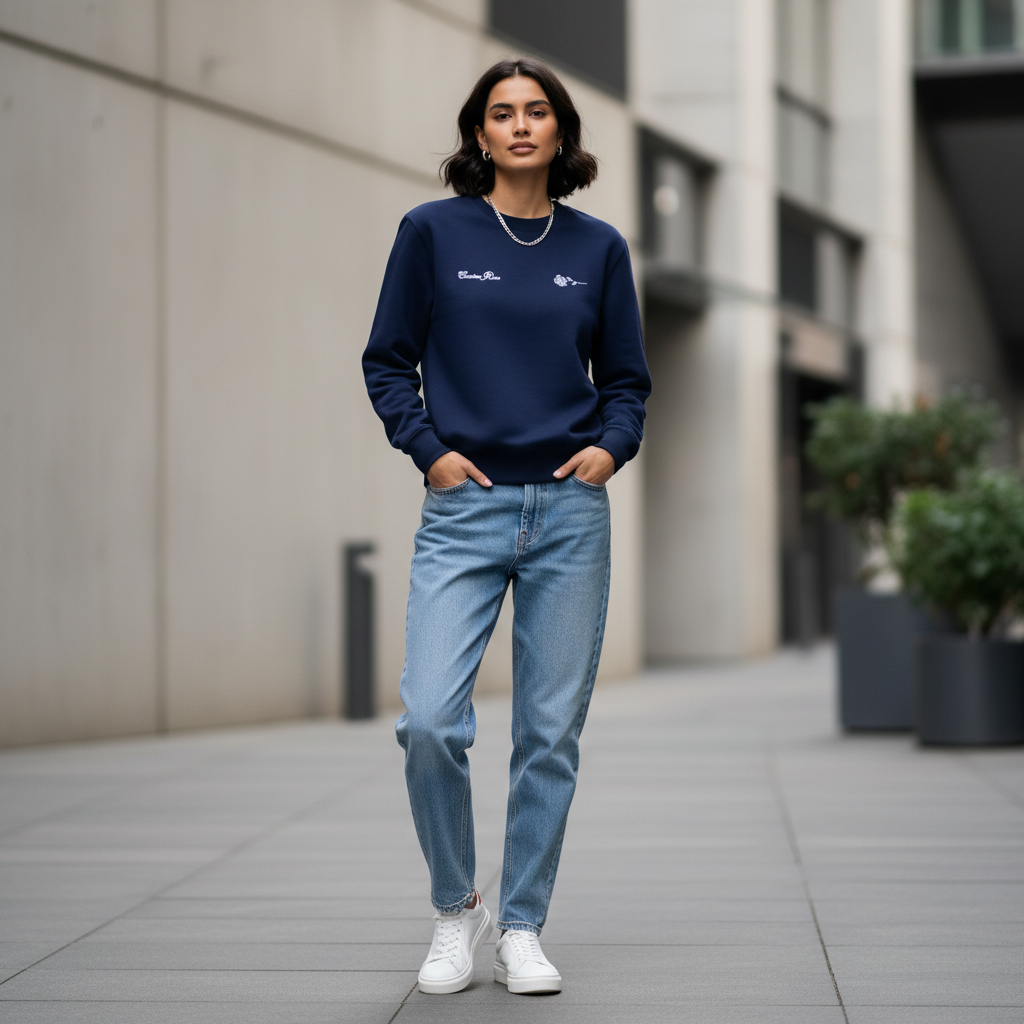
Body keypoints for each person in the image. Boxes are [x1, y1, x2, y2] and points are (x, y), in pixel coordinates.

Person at [362, 56, 651, 996]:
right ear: (477, 134)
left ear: (561, 132)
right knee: (432, 723)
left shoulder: (599, 246)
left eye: (536, 112)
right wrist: (430, 451)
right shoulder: (433, 232)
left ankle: (522, 925)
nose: (520, 125)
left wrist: (612, 446)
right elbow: (385, 361)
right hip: (464, 507)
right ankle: (458, 910)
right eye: (501, 113)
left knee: (548, 735)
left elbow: (628, 382)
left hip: (570, 511)